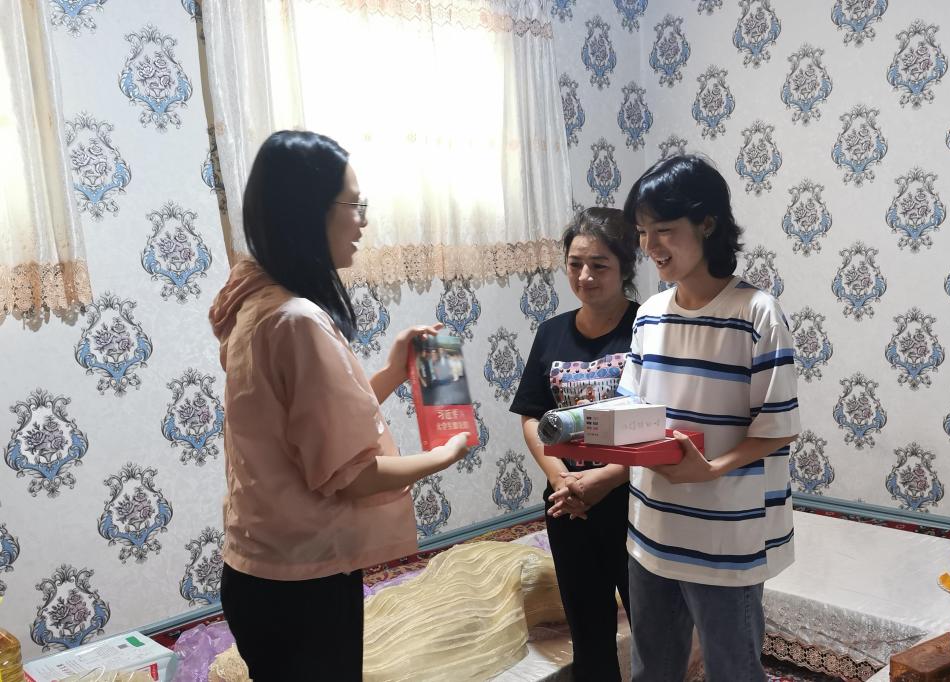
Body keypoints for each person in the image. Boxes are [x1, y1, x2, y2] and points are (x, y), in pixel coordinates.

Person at [208, 130, 469, 681]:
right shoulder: (297, 320)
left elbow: (310, 428)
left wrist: (392, 374)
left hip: (258, 569)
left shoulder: (255, 301)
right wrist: (443, 455)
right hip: (302, 583)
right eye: (354, 205)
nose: (362, 222)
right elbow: (351, 475)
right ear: (310, 213)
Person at [557, 154, 800, 681]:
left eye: (663, 230)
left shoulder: (756, 314)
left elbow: (775, 429)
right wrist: (587, 449)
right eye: (643, 232)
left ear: (707, 223)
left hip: (726, 536)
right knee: (653, 670)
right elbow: (634, 414)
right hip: (652, 531)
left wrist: (708, 470)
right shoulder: (649, 314)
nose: (650, 246)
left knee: (734, 671)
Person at [509, 207, 640, 681]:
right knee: (588, 631)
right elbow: (531, 416)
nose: (585, 276)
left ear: (625, 266)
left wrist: (606, 479)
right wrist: (561, 479)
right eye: (575, 263)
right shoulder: (551, 332)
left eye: (599, 265)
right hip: (568, 504)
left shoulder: (648, 327)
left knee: (652, 628)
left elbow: (665, 422)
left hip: (635, 501)